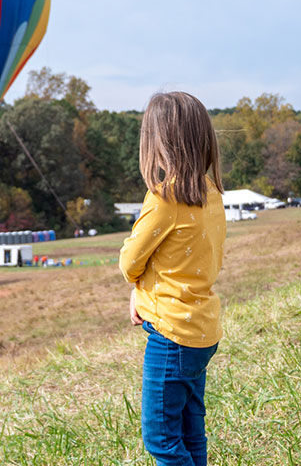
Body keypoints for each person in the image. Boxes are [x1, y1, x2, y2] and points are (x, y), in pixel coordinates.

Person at [120, 91, 225, 466]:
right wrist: (141, 292)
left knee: (162, 439)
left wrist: (137, 286)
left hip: (170, 336)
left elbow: (130, 261)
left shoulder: (163, 199)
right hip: (202, 331)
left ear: (157, 144)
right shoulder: (212, 194)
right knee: (191, 431)